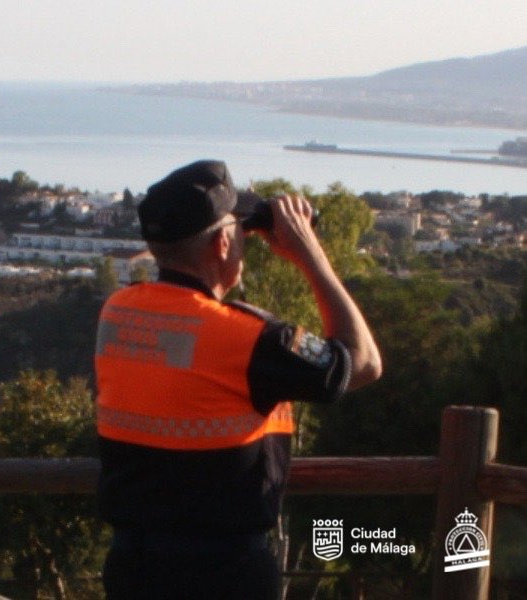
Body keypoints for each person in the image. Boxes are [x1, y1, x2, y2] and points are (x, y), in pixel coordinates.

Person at [94, 160, 382, 599]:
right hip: (224, 574)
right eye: (242, 233)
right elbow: (363, 363)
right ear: (224, 242)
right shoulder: (248, 339)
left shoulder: (117, 312)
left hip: (133, 568)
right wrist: (309, 252)